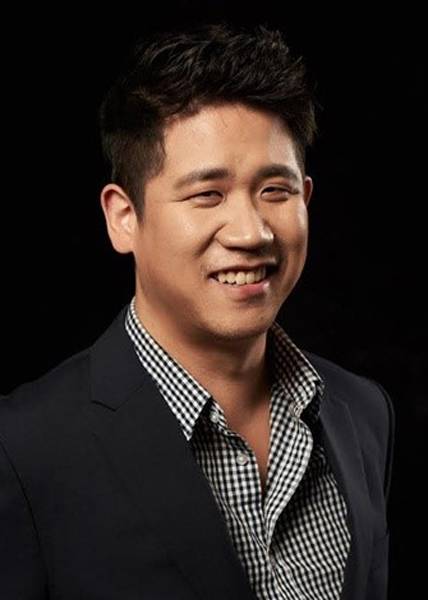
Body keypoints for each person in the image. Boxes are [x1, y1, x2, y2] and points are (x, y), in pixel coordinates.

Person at [0, 23, 394, 600]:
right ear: (123, 218)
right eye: (208, 194)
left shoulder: (364, 413)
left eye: (276, 190)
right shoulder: (22, 447)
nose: (252, 232)